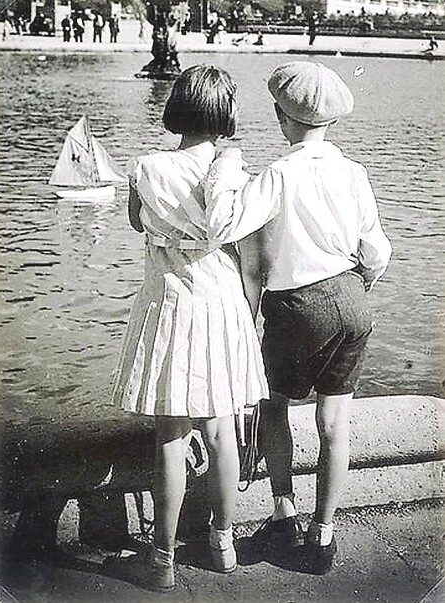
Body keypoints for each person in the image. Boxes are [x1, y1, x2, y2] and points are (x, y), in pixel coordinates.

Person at [204, 61, 392, 574]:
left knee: (274, 406)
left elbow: (227, 225)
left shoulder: (278, 173)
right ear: (331, 121)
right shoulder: (355, 172)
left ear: (282, 117)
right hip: (353, 300)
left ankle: (283, 512)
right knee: (335, 424)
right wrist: (356, 285)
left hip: (297, 306)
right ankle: (323, 536)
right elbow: (376, 250)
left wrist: (225, 168)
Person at [104, 65, 268, 592]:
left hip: (171, 305)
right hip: (221, 306)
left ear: (177, 109)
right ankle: (223, 543)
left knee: (170, 437)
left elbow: (138, 224)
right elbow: (247, 250)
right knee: (222, 430)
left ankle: (161, 559)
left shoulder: (147, 167)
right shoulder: (236, 173)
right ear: (226, 115)